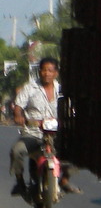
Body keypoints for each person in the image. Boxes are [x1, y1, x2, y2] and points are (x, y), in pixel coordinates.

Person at [10, 57, 80, 195]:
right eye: (43, 70)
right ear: (39, 71)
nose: (46, 73)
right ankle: (19, 181)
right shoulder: (30, 88)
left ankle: (64, 181)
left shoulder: (62, 90)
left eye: (50, 70)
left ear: (56, 73)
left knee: (78, 150)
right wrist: (18, 115)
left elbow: (72, 109)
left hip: (56, 134)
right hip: (32, 133)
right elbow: (18, 106)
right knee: (16, 151)